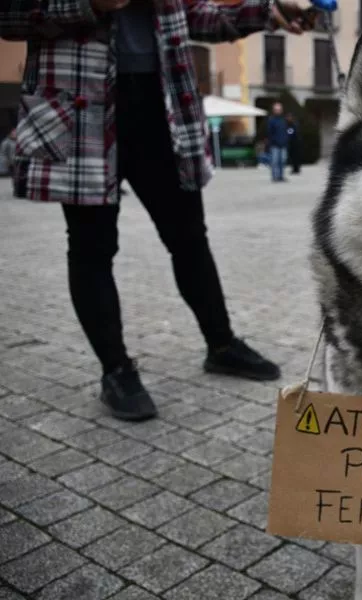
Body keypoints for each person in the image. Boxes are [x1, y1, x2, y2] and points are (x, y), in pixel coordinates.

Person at [1, 0, 317, 421]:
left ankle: (221, 345)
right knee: (92, 247)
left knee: (189, 238)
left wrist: (268, 12)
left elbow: (196, 15)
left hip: (163, 106)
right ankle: (116, 370)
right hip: (81, 108)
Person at [267, 102, 289, 182]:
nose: (278, 111)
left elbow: (286, 131)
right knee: (275, 162)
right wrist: (273, 141)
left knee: (282, 161)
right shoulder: (271, 120)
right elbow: (269, 133)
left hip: (283, 144)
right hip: (275, 145)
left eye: (279, 109)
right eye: (276, 109)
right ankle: (275, 177)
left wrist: (286, 140)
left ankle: (281, 176)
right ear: (273, 110)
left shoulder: (283, 120)